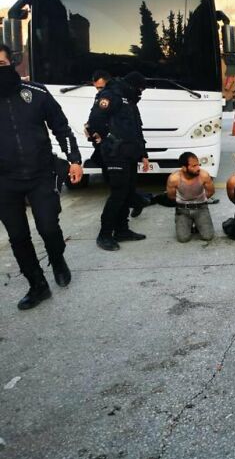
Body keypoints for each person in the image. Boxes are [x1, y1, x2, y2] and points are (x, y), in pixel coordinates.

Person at [0, 44, 83, 310]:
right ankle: (37, 285)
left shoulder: (36, 92)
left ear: (11, 63)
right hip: (5, 182)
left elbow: (61, 127)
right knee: (18, 237)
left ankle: (57, 259)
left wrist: (74, 160)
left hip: (40, 174)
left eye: (1, 64)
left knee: (48, 227)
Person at [87, 71, 149, 251]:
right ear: (133, 86)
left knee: (127, 192)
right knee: (118, 194)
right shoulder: (111, 95)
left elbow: (137, 129)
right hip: (115, 153)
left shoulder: (129, 100)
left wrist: (143, 153)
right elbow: (94, 120)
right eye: (140, 89)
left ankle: (122, 230)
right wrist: (104, 140)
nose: (140, 93)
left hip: (130, 153)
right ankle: (104, 234)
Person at [165, 152, 215, 242]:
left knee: (208, 236)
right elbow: (171, 196)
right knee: (183, 239)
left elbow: (211, 191)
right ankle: (187, 223)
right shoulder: (174, 178)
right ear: (184, 168)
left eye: (198, 165)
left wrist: (199, 200)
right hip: (182, 209)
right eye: (194, 166)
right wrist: (185, 202)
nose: (198, 168)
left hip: (201, 208)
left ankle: (198, 223)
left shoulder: (204, 175)